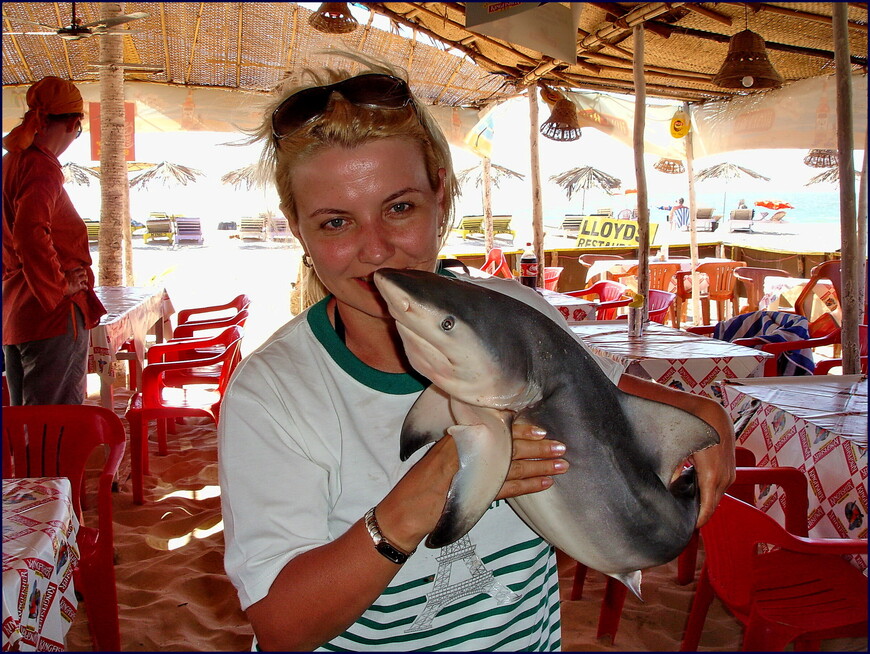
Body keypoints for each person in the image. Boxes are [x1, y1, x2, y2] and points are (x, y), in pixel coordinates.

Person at [218, 55, 735, 652]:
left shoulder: (519, 310)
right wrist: (435, 479)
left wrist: (700, 415)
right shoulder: (274, 392)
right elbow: (282, 629)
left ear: (440, 193)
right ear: (297, 227)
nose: (377, 250)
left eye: (399, 207)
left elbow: (601, 392)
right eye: (336, 222)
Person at [2, 76, 106, 405]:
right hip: (50, 315)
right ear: (75, 123)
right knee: (56, 426)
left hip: (17, 311)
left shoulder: (11, 162)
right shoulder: (41, 167)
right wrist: (58, 285)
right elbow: (30, 230)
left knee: (28, 424)